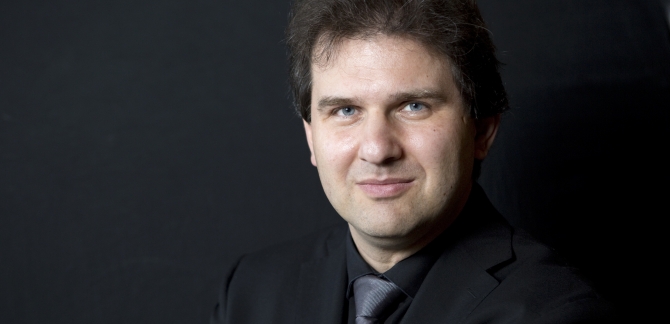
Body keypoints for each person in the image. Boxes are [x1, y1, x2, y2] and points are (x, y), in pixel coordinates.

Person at [211, 0, 614, 323]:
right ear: (311, 137)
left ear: (482, 131)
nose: (377, 149)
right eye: (346, 111)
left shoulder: (552, 311)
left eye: (413, 106)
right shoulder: (251, 292)